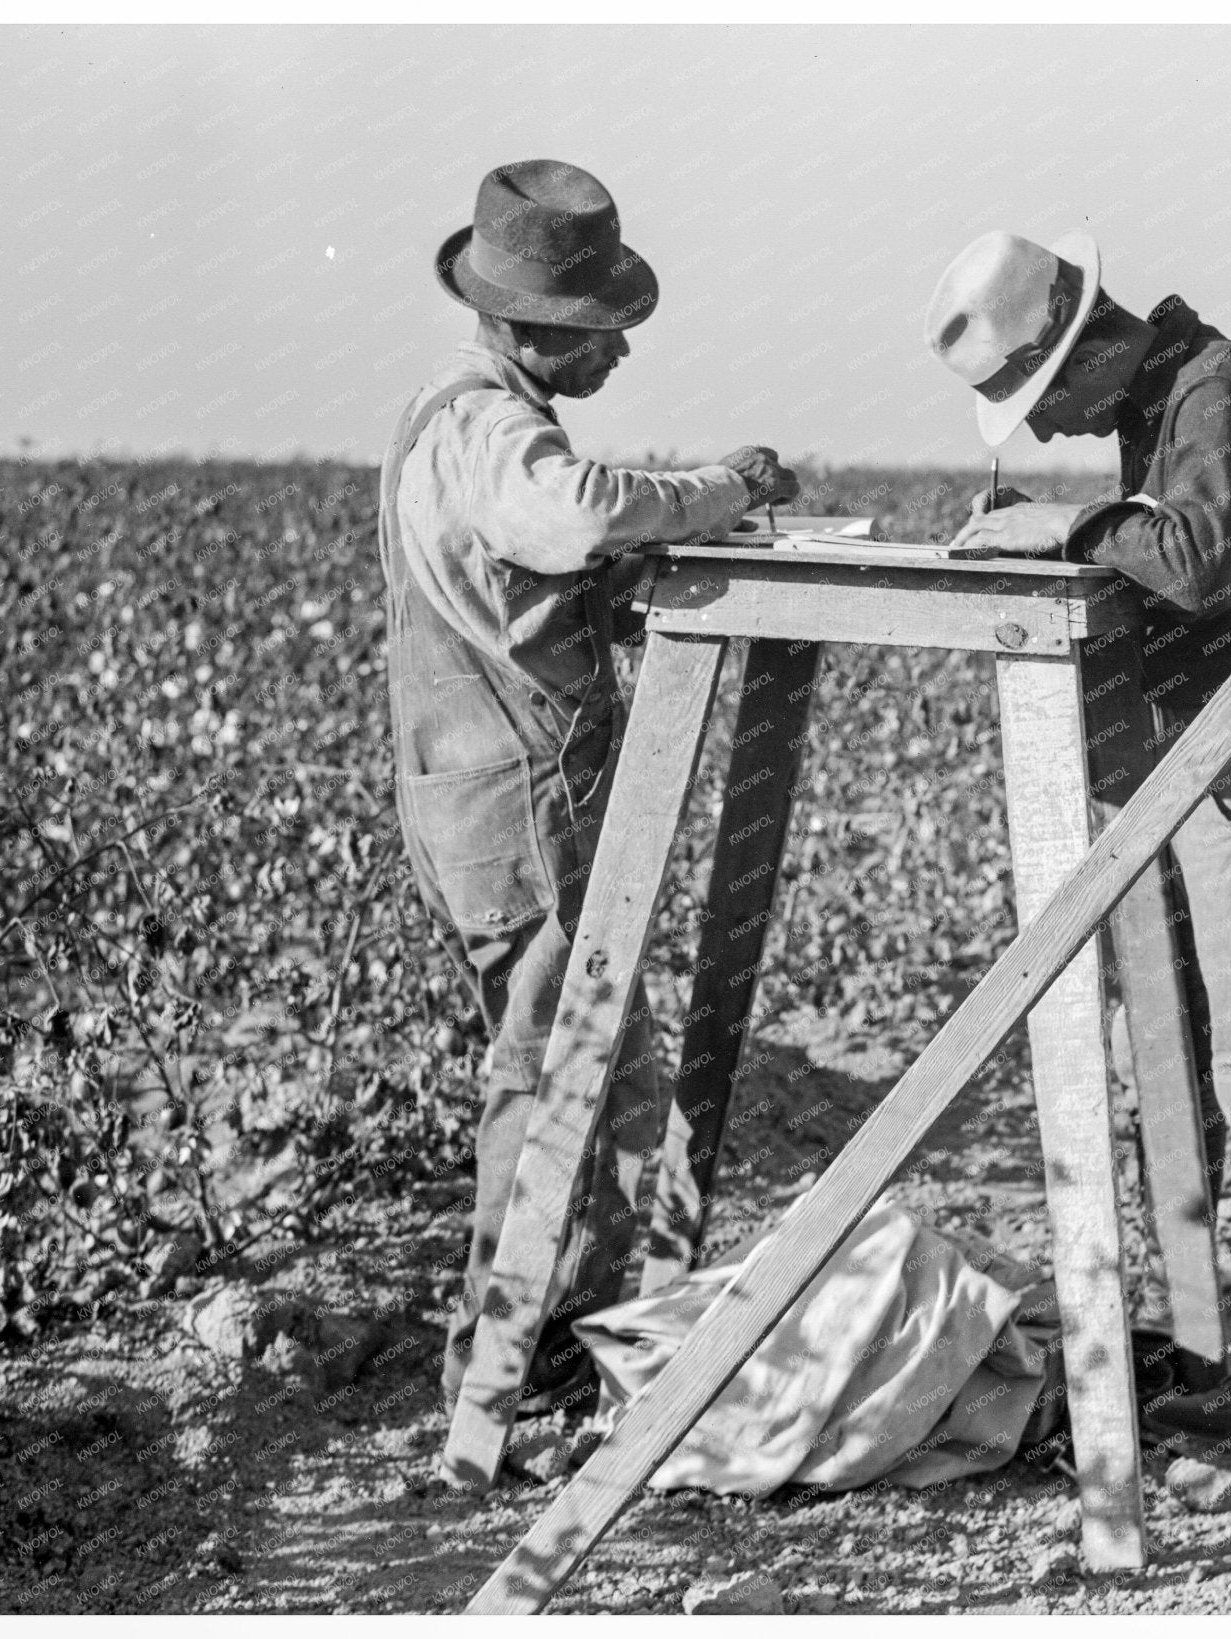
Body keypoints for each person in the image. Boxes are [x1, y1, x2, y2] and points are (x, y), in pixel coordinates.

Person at [923, 231, 1231, 1453]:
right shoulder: (1164, 391)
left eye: (1041, 396)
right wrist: (1080, 524)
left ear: (1083, 348)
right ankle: (1211, 1334)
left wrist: (1072, 527)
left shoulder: (1208, 388)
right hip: (1213, 752)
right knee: (1179, 1048)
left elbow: (1197, 558)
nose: (1050, 425)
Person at [380, 160, 797, 1445]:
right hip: (519, 808)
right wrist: (724, 488)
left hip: (482, 792)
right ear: (530, 327)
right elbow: (572, 513)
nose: (617, 353)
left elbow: (517, 587)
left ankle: (559, 1341)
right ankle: (493, 1377)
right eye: (601, 333)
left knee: (588, 1061)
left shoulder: (449, 414)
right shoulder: (493, 431)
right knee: (548, 1075)